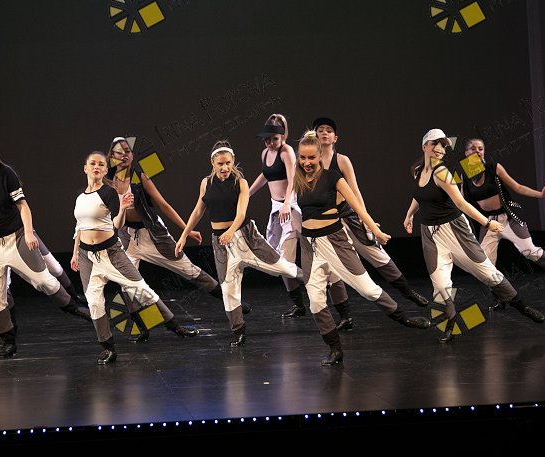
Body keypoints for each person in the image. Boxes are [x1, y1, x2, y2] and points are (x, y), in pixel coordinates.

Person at [294, 131, 430, 366]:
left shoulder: (332, 177)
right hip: (309, 245)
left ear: (319, 156)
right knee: (315, 301)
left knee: (368, 290)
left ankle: (403, 318)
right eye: (303, 158)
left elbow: (357, 206)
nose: (307, 162)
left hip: (335, 241)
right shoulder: (298, 179)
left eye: (311, 158)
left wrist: (375, 230)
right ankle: (335, 349)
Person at [0, 132, 90, 359]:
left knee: (45, 278)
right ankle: (9, 340)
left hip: (16, 237)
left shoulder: (6, 174)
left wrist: (28, 233)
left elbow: (23, 206)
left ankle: (74, 306)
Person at [403, 129, 545, 343]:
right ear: (424, 146)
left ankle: (522, 306)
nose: (439, 149)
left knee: (488, 273)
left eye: (443, 145)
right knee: (440, 285)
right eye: (435, 144)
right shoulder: (417, 170)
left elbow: (461, 203)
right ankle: (450, 323)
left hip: (455, 230)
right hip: (431, 235)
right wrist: (409, 215)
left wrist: (487, 222)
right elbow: (419, 195)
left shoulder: (443, 173)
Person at [71, 151, 198, 364]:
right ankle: (108, 347)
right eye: (92, 164)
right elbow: (79, 227)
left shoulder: (109, 193)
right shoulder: (80, 197)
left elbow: (117, 224)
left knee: (142, 290)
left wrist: (122, 209)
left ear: (105, 169)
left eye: (101, 164)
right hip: (87, 257)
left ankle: (174, 326)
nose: (96, 167)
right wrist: (75, 252)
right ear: (85, 168)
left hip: (111, 253)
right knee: (94, 301)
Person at [104, 136, 250, 318]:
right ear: (112, 156)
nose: (124, 155)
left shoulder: (140, 176)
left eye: (127, 151)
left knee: (190, 271)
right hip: (127, 237)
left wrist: (186, 230)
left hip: (153, 235)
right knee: (127, 283)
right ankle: (145, 323)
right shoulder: (107, 180)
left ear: (132, 155)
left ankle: (233, 302)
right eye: (119, 152)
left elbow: (163, 205)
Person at [176, 140, 302, 347]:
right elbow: (198, 210)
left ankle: (317, 281)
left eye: (228, 163)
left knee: (283, 268)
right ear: (212, 163)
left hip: (246, 238)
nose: (225, 168)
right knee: (229, 289)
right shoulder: (206, 183)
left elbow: (241, 213)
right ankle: (239, 331)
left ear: (233, 161)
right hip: (221, 243)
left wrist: (230, 231)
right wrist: (183, 236)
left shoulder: (240, 182)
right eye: (220, 164)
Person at [314, 117, 429, 332]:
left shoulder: (341, 160)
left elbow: (355, 191)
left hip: (348, 216)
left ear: (335, 137)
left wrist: (366, 220)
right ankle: (345, 316)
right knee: (333, 271)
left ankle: (408, 292)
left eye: (329, 130)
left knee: (377, 255)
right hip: (328, 224)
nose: (324, 133)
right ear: (314, 135)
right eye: (320, 130)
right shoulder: (311, 162)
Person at [247, 115, 350, 324]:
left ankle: (342, 309)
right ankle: (299, 304)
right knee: (280, 260)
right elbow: (266, 174)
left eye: (274, 139)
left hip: (291, 209)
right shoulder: (266, 153)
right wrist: (247, 194)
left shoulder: (287, 153)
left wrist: (287, 203)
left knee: (307, 258)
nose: (270, 143)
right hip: (277, 209)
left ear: (282, 136)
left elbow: (294, 179)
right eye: (267, 139)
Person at [461, 138, 545, 304]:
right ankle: (500, 297)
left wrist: (541, 194)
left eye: (480, 148)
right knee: (485, 264)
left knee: (529, 251)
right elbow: (462, 202)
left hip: (508, 218)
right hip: (489, 223)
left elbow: (517, 187)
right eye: (473, 149)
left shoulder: (494, 168)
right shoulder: (465, 176)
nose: (478, 151)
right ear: (466, 153)